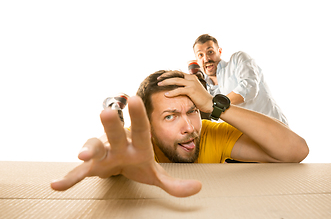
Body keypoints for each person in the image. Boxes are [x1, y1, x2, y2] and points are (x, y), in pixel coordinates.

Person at [51, 70, 309, 197]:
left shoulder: (207, 131)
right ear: (149, 127)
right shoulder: (139, 140)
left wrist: (213, 105)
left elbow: (296, 150)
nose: (189, 127)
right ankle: (115, 106)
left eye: (193, 111)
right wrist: (107, 156)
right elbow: (118, 149)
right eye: (170, 116)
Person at [193, 34, 288, 125]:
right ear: (197, 61)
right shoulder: (205, 89)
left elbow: (249, 88)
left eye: (210, 52)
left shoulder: (238, 59)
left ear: (219, 51)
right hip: (245, 139)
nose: (206, 59)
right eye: (200, 55)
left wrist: (214, 107)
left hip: (274, 130)